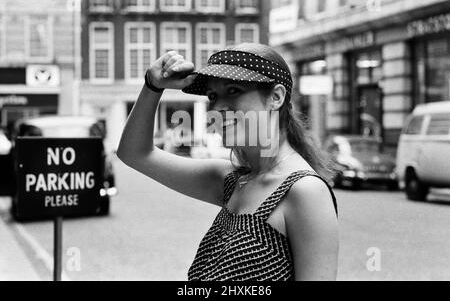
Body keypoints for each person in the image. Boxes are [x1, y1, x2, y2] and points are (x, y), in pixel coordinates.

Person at [117, 43, 339, 281]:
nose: (218, 107)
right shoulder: (232, 181)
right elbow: (134, 153)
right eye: (213, 96)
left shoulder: (305, 191)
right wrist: (152, 85)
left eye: (233, 90)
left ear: (276, 97)